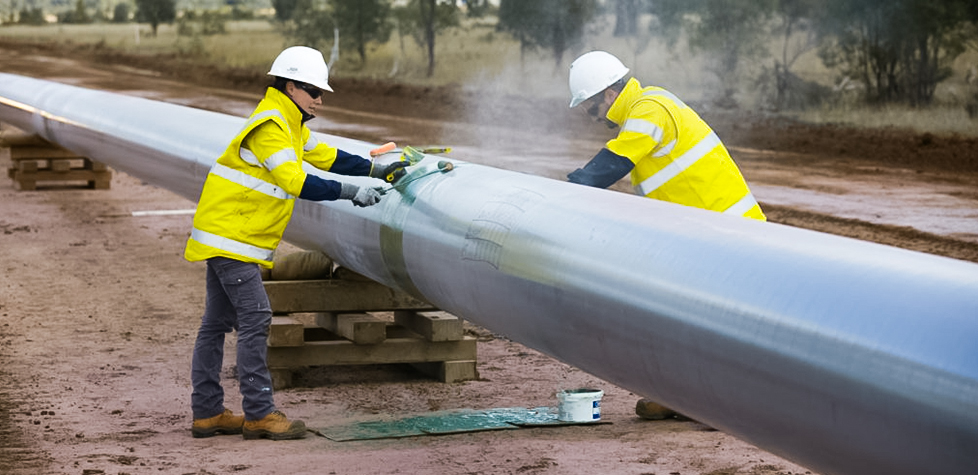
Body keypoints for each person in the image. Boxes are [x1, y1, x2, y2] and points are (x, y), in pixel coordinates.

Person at [184, 45, 407, 440]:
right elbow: (296, 180)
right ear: (290, 86)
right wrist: (351, 192)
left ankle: (207, 413)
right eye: (313, 91)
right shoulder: (271, 127)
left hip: (229, 236)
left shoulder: (290, 123)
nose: (320, 100)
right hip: (231, 239)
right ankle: (259, 413)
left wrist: (376, 169)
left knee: (215, 324)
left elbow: (324, 156)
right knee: (256, 319)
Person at [566, 50, 766, 221]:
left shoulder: (648, 110)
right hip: (718, 226)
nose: (594, 119)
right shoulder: (647, 104)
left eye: (592, 111)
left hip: (733, 228)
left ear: (610, 95)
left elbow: (616, 160)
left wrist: (577, 185)